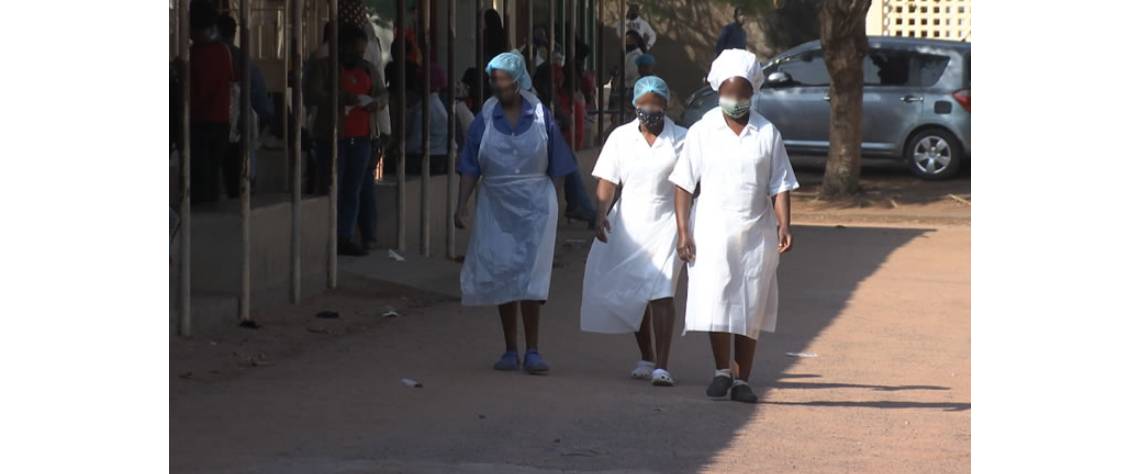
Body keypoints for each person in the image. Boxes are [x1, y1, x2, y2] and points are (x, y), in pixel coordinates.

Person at [668, 49, 799, 404]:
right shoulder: (701, 131)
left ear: (753, 91)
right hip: (711, 228)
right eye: (729, 93)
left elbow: (780, 184)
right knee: (716, 300)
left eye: (743, 93)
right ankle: (721, 371)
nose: (736, 100)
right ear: (717, 91)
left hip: (756, 231)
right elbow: (683, 184)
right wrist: (683, 232)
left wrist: (784, 224)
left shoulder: (766, 133)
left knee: (750, 304)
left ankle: (743, 379)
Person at [454, 52, 578, 375]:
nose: (498, 85)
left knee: (531, 276)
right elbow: (470, 165)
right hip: (495, 204)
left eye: (503, 79)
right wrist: (461, 204)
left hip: (535, 204)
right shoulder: (485, 117)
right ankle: (510, 349)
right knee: (504, 272)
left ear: (518, 80)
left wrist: (555, 204)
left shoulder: (540, 115)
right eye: (494, 79)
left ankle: (533, 349)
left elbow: (559, 163)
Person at [581, 76, 687, 387]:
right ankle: (647, 355)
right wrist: (600, 215)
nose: (649, 109)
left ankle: (663, 366)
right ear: (634, 105)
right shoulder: (620, 137)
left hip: (668, 220)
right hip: (630, 222)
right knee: (636, 292)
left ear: (666, 105)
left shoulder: (681, 138)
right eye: (643, 103)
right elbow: (607, 180)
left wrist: (685, 229)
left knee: (662, 290)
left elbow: (688, 184)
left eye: (656, 103)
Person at [304, 24, 387, 256]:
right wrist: (342, 98)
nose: (358, 57)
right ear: (341, 48)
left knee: (354, 188)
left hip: (361, 138)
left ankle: (345, 236)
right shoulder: (324, 68)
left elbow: (382, 93)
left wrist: (376, 103)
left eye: (361, 53)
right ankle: (325, 234)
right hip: (332, 137)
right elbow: (311, 94)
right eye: (354, 51)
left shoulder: (368, 70)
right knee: (331, 187)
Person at [218, 14, 274, 198]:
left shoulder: (204, 55)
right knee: (242, 178)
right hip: (241, 125)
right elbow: (260, 101)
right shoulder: (245, 61)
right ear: (234, 33)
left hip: (211, 125)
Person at [188, 1, 233, 204]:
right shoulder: (224, 52)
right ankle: (211, 206)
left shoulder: (196, 55)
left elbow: (197, 92)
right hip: (221, 120)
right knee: (212, 172)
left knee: (199, 174)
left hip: (200, 122)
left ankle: (201, 213)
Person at [405, 63, 455, 175]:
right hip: (441, 158)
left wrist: (399, 150)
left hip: (426, 160)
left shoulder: (424, 109)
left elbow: (415, 141)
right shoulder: (439, 105)